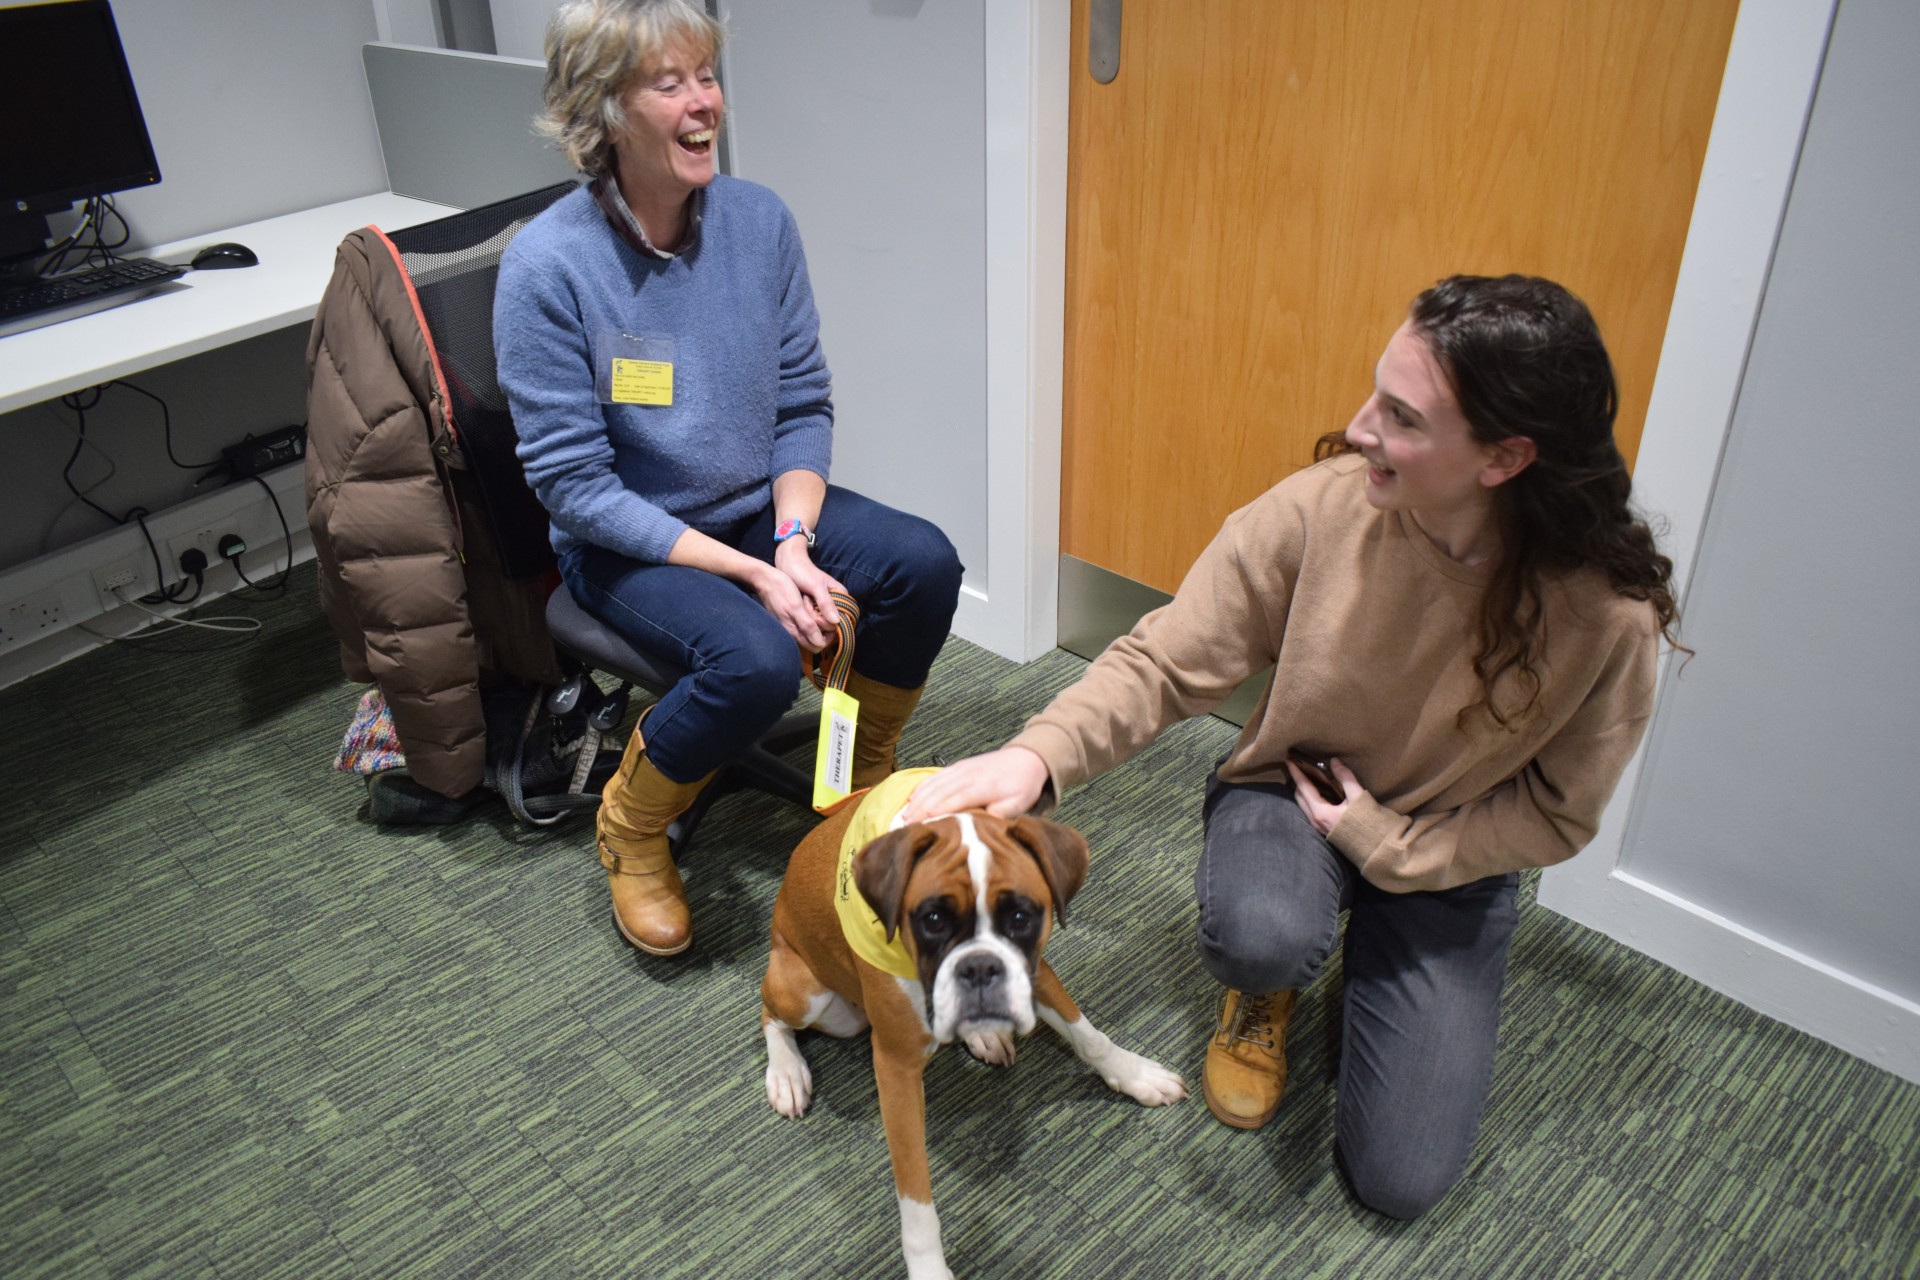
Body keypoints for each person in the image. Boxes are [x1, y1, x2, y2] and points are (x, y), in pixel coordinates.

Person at [902, 275, 1680, 1219]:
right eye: (1374, 395)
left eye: (1401, 417)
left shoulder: (1609, 614)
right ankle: (1273, 986)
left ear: (1504, 457)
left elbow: (1559, 812)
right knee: (1265, 934)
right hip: (1292, 792)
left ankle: (1368, 946)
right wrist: (1043, 754)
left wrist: (1387, 847)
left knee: (1400, 1180)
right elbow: (1165, 661)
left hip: (1447, 855)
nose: (1358, 430)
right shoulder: (1319, 511)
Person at [496, 0, 962, 959]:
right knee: (752, 661)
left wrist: (789, 541)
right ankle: (629, 829)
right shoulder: (548, 266)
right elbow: (573, 487)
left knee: (922, 563)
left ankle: (858, 775)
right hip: (627, 541)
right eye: (669, 84)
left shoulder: (759, 222)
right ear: (604, 111)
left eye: (706, 75)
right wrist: (755, 576)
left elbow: (802, 403)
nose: (703, 102)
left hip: (757, 507)